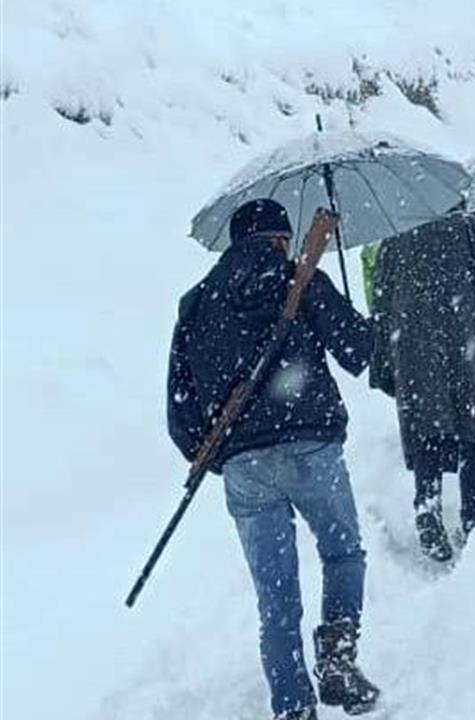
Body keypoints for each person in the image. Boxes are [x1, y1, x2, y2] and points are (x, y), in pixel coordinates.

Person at [167, 199, 380, 720]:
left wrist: (220, 455)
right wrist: (356, 316)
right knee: (342, 553)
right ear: (280, 238)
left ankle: (292, 705)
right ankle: (337, 655)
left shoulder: (196, 303)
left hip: (244, 465)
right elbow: (358, 351)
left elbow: (181, 408)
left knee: (276, 596)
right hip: (311, 445)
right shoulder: (299, 278)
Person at [369, 208, 475, 562]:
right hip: (464, 343)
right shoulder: (471, 229)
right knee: (472, 429)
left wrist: (383, 363)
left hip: (412, 350)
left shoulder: (393, 241)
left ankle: (427, 504)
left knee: (428, 428)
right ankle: (473, 516)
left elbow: (381, 305)